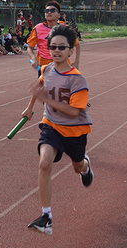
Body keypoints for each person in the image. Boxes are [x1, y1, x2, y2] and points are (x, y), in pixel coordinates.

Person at [22, 24, 93, 235]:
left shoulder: (78, 79)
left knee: (77, 166)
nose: (56, 51)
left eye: (62, 47)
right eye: (52, 46)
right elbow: (40, 85)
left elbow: (73, 112)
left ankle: (86, 166)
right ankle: (46, 217)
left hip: (74, 131)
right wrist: (30, 107)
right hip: (51, 126)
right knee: (44, 163)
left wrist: (45, 99)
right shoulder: (46, 69)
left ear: (71, 50)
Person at [27, 1, 81, 74]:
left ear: (58, 15)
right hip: (44, 68)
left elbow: (77, 44)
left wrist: (76, 62)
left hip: (63, 66)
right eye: (47, 11)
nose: (49, 12)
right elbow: (29, 48)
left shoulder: (65, 28)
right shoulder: (37, 28)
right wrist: (33, 58)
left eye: (52, 11)